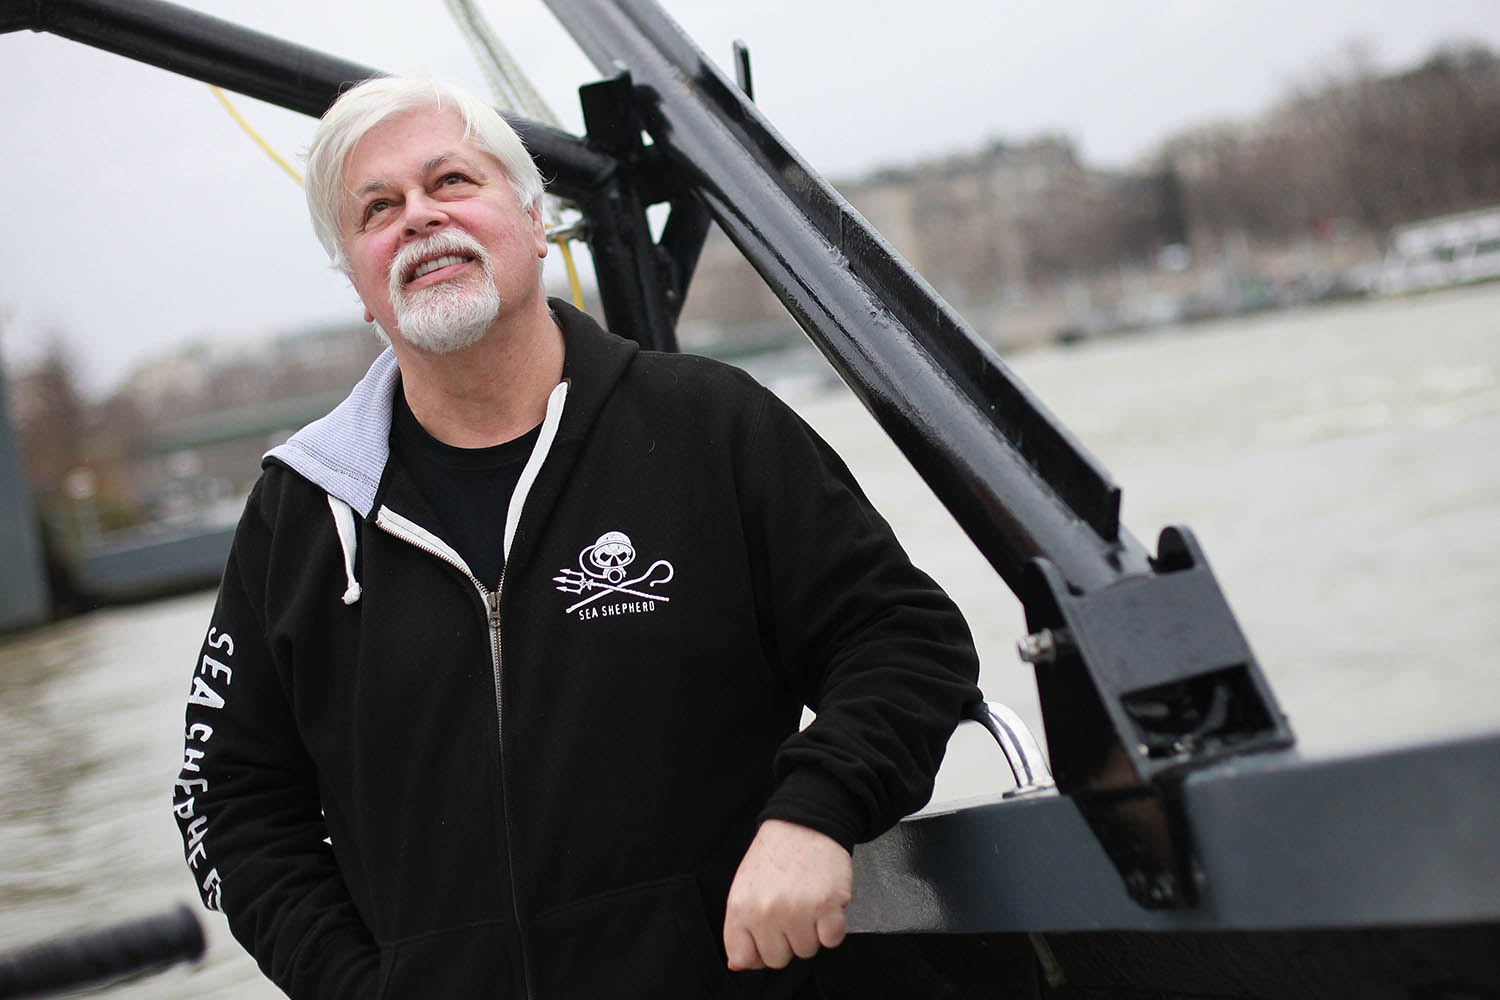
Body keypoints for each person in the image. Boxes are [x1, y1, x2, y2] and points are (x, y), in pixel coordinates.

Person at [172, 76, 980, 999]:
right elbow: (225, 799)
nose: (420, 216)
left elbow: (904, 638)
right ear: (359, 283)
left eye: (451, 181)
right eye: (377, 209)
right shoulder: (299, 513)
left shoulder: (708, 427)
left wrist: (817, 812)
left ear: (532, 221)